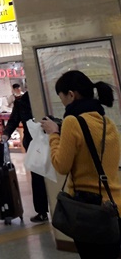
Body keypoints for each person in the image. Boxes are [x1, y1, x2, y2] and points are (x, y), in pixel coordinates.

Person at [42, 70, 121, 259]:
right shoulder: (108, 122)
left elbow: (61, 165)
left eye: (62, 98)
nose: (63, 103)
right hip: (114, 207)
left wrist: (54, 135)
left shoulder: (72, 122)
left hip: (89, 212)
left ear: (71, 94)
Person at [2, 83, 49, 223]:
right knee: (38, 177)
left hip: (50, 142)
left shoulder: (45, 99)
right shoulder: (21, 102)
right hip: (34, 145)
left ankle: (53, 209)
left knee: (50, 176)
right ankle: (42, 211)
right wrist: (6, 134)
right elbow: (13, 121)